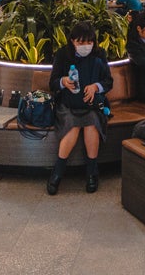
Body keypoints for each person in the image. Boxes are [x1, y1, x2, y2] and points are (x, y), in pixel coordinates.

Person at [45, 22, 114, 195]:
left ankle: (92, 172)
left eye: (89, 42)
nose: (86, 46)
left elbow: (108, 81)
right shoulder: (63, 55)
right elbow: (52, 82)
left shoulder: (99, 55)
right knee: (73, 126)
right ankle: (57, 173)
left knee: (91, 124)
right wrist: (63, 82)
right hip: (68, 103)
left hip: (91, 104)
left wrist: (96, 87)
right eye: (81, 43)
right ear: (73, 41)